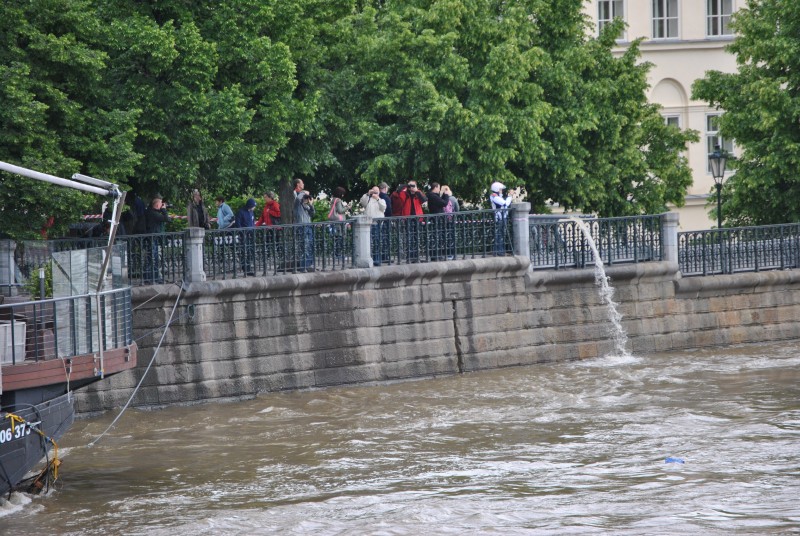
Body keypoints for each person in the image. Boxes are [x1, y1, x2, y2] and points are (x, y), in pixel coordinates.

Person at [143, 194, 170, 283]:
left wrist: (162, 210)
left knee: (153, 259)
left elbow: (167, 219)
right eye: (161, 204)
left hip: (152, 239)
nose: (162, 205)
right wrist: (164, 210)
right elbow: (166, 219)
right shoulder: (153, 213)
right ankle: (151, 278)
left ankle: (152, 277)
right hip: (152, 239)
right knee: (153, 259)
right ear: (157, 204)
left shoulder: (151, 212)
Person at [398, 181, 427, 262]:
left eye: (413, 185)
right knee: (409, 237)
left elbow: (424, 200)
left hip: (418, 218)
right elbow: (398, 192)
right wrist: (406, 186)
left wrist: (417, 191)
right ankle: (410, 256)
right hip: (408, 218)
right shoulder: (405, 193)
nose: (411, 187)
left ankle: (416, 256)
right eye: (410, 185)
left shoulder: (418, 193)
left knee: (417, 237)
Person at [360, 186, 387, 266]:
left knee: (376, 241)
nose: (374, 193)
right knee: (368, 242)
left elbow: (383, 207)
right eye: (373, 192)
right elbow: (362, 202)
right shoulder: (368, 200)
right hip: (368, 224)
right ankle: (369, 258)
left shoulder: (381, 200)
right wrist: (367, 194)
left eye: (376, 192)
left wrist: (377, 198)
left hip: (377, 223)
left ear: (379, 192)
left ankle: (376, 259)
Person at [294, 185, 315, 271]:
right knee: (305, 246)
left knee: (310, 245)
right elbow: (298, 198)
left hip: (308, 226)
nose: (306, 198)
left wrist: (311, 205)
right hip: (302, 226)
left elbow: (312, 214)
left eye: (307, 197)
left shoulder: (307, 206)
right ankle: (303, 267)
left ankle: (308, 265)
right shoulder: (298, 205)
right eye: (305, 197)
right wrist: (303, 193)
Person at [490, 181, 513, 256]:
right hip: (499, 218)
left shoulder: (497, 196)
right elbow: (505, 203)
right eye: (500, 189)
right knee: (499, 234)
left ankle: (500, 250)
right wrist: (510, 196)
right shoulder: (494, 196)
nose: (501, 191)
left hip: (502, 217)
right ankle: (499, 251)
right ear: (496, 189)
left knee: (501, 234)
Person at [235, 198, 257, 275]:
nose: (254, 208)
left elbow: (252, 222)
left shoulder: (251, 212)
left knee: (250, 251)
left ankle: (248, 268)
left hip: (251, 234)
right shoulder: (241, 212)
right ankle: (246, 268)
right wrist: (242, 233)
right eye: (253, 206)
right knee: (244, 251)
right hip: (243, 235)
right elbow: (238, 224)